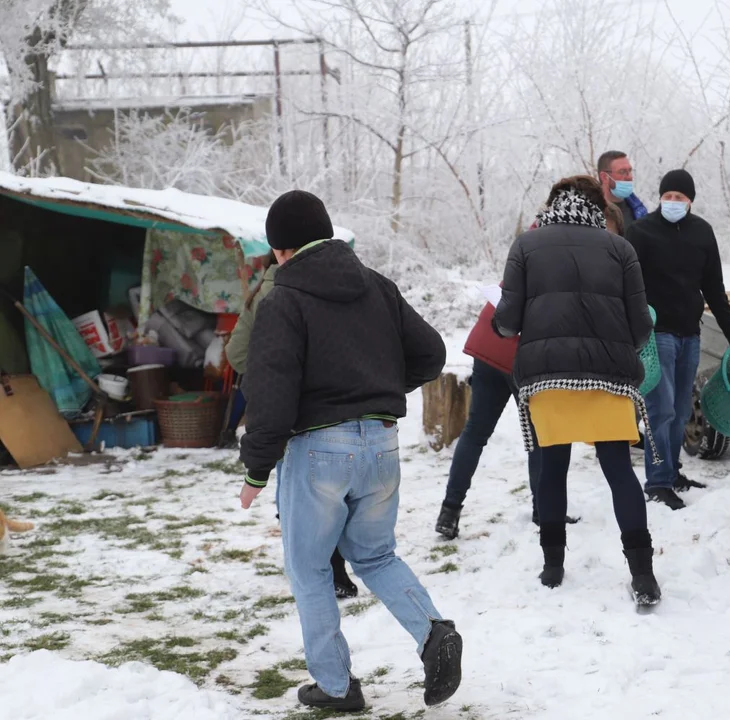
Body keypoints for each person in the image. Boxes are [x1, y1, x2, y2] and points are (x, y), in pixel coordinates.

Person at [238, 190, 463, 712]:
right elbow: (431, 353)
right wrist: (378, 391)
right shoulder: (377, 286)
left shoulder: (282, 300)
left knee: (310, 568)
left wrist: (255, 470)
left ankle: (336, 686)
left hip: (318, 451)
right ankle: (434, 633)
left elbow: (271, 392)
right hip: (381, 442)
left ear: (281, 251)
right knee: (377, 554)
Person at [493, 175, 662, 608]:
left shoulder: (526, 246)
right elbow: (641, 325)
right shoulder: (620, 249)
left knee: (552, 469)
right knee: (619, 471)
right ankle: (643, 574)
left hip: (547, 379)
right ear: (598, 208)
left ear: (552, 204)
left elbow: (508, 321)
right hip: (608, 377)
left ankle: (552, 567)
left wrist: (507, 325)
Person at [226, 252, 359, 601]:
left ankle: (311, 570)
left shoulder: (267, 291)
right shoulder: (349, 281)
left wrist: (266, 368)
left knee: (295, 491)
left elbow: (236, 353)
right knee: (337, 491)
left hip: (287, 409)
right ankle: (334, 567)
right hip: (343, 409)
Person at [626, 169, 730, 511]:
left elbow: (714, 288)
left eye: (680, 197)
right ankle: (658, 481)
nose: (673, 202)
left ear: (690, 201)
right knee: (659, 409)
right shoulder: (641, 232)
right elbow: (627, 285)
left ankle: (673, 471)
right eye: (668, 196)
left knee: (680, 410)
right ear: (660, 197)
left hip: (689, 334)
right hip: (656, 335)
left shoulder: (702, 233)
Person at [434, 297, 581, 539]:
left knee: (475, 433)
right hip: (521, 352)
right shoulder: (557, 268)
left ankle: (449, 512)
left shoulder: (522, 261)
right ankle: (543, 511)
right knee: (539, 435)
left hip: (489, 343)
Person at [597, 150, 649, 233]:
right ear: (604, 177)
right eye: (622, 172)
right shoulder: (590, 212)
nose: (629, 177)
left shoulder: (638, 211)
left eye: (630, 171)